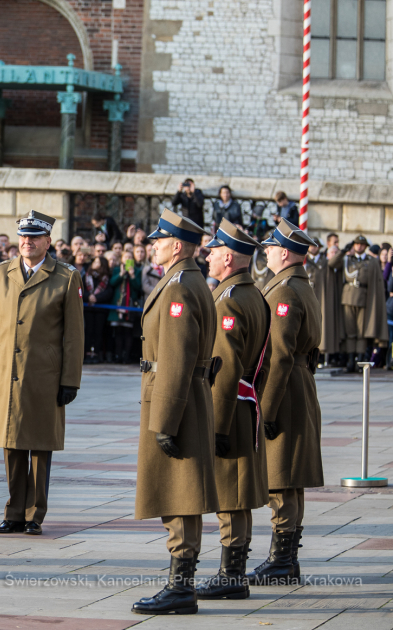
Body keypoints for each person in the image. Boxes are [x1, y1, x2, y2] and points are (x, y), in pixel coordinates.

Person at [132, 209, 218, 616]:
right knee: (179, 494)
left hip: (175, 401)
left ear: (177, 246)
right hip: (182, 397)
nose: (153, 246)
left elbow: (177, 358)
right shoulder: (185, 280)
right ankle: (180, 584)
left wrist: (164, 420)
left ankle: (180, 588)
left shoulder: (180, 287)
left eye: (159, 240)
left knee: (179, 494)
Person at [0, 211, 83, 536]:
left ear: (47, 241)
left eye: (35, 237)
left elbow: (74, 335)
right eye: (23, 237)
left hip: (44, 375)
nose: (27, 242)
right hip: (7, 373)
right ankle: (12, 512)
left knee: (39, 447)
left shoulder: (66, 277)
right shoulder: (0, 273)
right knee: (11, 445)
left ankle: (34, 514)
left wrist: (70, 380)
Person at [196, 220, 270, 601]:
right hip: (246, 404)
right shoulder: (254, 294)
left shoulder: (228, 300)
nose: (207, 256)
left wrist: (218, 426)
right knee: (238, 496)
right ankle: (234, 572)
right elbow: (266, 361)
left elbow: (223, 369)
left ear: (228, 256)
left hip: (230, 410)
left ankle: (231, 576)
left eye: (213, 250)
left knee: (230, 496)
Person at [248, 218, 322, 585]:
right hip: (299, 385)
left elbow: (279, 356)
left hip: (286, 391)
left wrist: (268, 409)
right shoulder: (297, 285)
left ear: (284, 252)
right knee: (290, 479)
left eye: (269, 247)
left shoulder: (284, 291)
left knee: (281, 478)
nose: (265, 252)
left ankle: (281, 559)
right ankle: (287, 559)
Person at [330, 235, 388, 372]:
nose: (359, 247)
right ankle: (350, 360)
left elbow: (377, 281)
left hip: (363, 299)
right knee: (350, 332)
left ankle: (360, 360)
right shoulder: (346, 259)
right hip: (348, 298)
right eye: (356, 244)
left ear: (366, 247)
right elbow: (331, 264)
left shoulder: (371, 261)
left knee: (361, 332)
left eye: (362, 244)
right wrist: (343, 251)